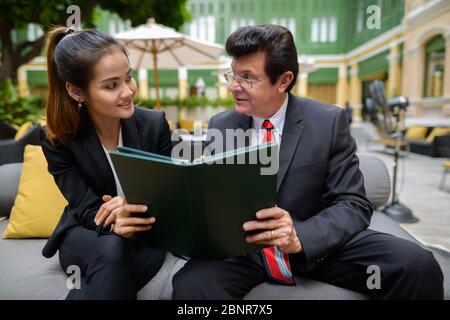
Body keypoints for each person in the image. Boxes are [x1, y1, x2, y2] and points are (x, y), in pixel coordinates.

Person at [172, 25, 444, 300]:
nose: (234, 86)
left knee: (417, 265)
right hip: (245, 252)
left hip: (316, 247)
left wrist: (300, 237)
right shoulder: (221, 124)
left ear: (283, 80)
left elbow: (353, 203)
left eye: (247, 78)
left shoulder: (328, 122)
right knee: (190, 286)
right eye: (232, 74)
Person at [40, 26, 172, 299]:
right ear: (77, 92)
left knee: (120, 255)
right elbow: (87, 207)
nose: (128, 91)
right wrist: (114, 223)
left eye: (129, 78)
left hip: (144, 234)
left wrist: (129, 209)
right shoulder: (59, 139)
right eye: (112, 85)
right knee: (115, 248)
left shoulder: (154, 125)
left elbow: (167, 194)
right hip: (87, 235)